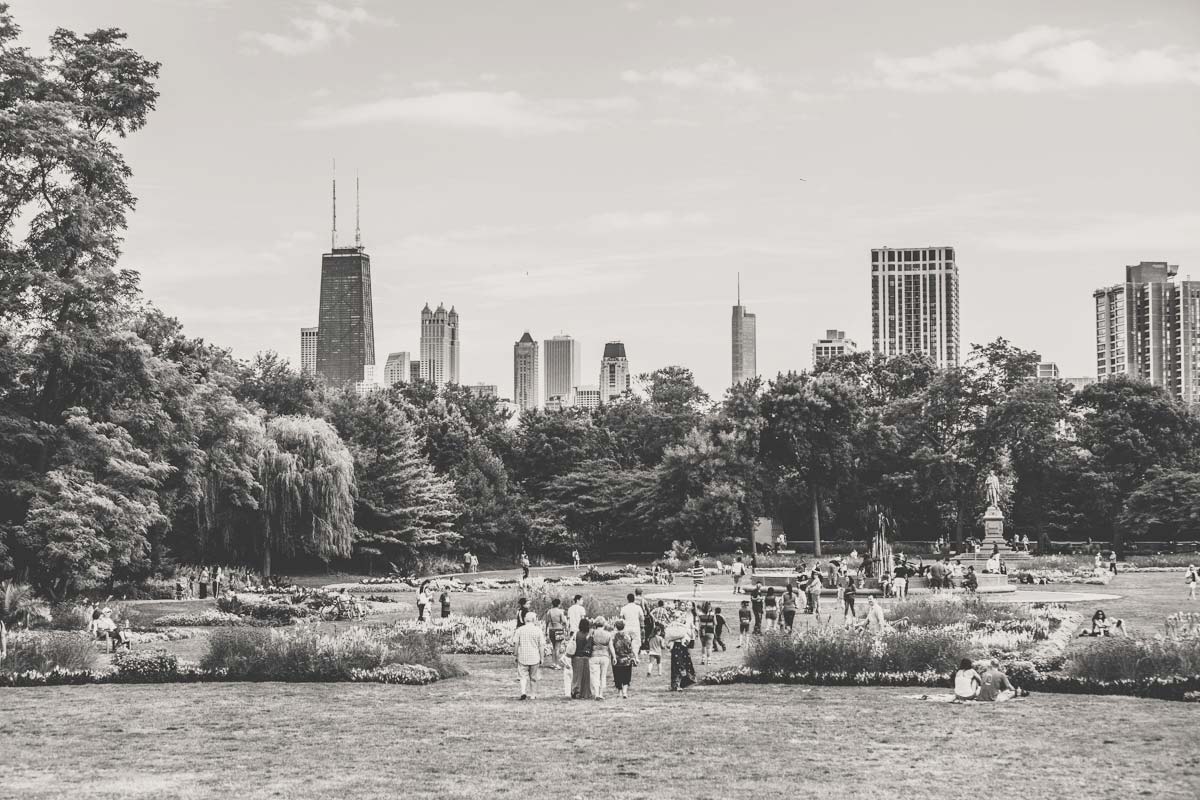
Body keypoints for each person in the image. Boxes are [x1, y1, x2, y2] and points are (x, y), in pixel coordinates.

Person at [512, 611, 545, 700]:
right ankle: (533, 695)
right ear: (534, 620)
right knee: (533, 677)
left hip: (523, 656)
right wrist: (542, 657)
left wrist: (515, 654)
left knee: (522, 676)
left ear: (525, 620)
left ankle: (523, 692)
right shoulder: (538, 630)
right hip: (534, 656)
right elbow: (541, 645)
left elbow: (516, 643)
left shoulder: (519, 630)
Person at [665, 615, 696, 692]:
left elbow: (688, 636)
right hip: (679, 647)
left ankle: (679, 684)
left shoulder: (679, 627)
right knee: (678, 665)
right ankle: (677, 684)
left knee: (679, 665)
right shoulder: (676, 627)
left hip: (679, 648)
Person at [588, 616, 616, 700]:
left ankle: (596, 693)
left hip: (594, 655)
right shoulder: (608, 634)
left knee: (595, 675)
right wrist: (614, 657)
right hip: (605, 656)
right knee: (603, 676)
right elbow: (611, 647)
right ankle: (601, 693)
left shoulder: (592, 632)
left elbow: (587, 641)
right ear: (604, 624)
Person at [611, 619, 638, 699]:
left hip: (617, 659)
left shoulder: (613, 636)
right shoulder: (629, 636)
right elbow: (632, 647)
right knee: (626, 675)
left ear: (616, 626)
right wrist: (635, 657)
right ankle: (625, 692)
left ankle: (619, 692)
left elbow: (611, 647)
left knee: (617, 675)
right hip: (627, 659)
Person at [571, 619, 595, 699]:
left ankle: (575, 691)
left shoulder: (576, 634)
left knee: (576, 676)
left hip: (576, 657)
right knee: (586, 676)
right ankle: (585, 693)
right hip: (586, 657)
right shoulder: (589, 635)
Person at [545, 597, 568, 667]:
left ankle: (553, 662)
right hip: (558, 629)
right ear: (559, 604)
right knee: (557, 647)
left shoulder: (549, 611)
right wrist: (565, 628)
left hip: (551, 629)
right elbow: (564, 621)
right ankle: (557, 663)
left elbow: (547, 622)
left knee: (553, 647)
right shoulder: (560, 611)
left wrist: (546, 630)